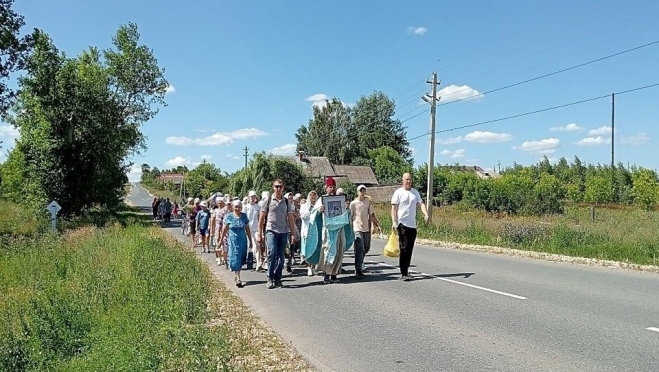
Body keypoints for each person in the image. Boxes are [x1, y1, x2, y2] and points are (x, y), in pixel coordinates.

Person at [258, 179, 297, 289]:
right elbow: (261, 218)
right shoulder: (268, 200)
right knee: (272, 253)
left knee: (281, 256)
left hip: (283, 231)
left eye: (280, 186)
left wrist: (293, 234)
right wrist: (259, 233)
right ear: (273, 187)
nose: (278, 189)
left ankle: (278, 278)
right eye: (276, 186)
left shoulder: (286, 201)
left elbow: (290, 218)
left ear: (283, 188)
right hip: (271, 230)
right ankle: (270, 277)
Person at [391, 172, 429, 281]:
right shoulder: (398, 193)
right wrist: (394, 222)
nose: (408, 181)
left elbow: (421, 204)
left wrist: (425, 214)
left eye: (410, 179)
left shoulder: (415, 193)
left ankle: (406, 270)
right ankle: (403, 272)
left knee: (409, 248)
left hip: (412, 225)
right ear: (402, 180)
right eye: (406, 179)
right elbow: (394, 208)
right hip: (402, 224)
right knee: (404, 248)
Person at [315, 177, 350, 284]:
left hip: (339, 229)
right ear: (326, 188)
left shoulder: (340, 199)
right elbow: (314, 213)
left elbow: (346, 213)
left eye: (334, 187)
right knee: (329, 251)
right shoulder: (322, 200)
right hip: (328, 230)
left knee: (339, 250)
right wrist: (319, 210)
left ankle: (334, 274)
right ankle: (327, 274)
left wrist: (346, 208)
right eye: (330, 187)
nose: (332, 189)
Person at [219, 199, 253, 287]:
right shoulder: (229, 216)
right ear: (233, 207)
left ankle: (237, 274)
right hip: (233, 240)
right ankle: (238, 277)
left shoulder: (244, 216)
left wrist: (250, 241)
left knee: (241, 258)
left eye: (239, 207)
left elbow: (247, 229)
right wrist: (220, 240)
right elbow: (225, 229)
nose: (237, 208)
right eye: (236, 207)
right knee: (235, 257)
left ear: (241, 207)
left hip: (242, 240)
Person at [350, 184, 380, 279]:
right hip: (357, 228)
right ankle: (358, 269)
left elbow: (371, 214)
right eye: (361, 191)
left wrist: (373, 226)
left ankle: (360, 264)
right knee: (360, 248)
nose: (362, 193)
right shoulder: (353, 204)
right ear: (357, 192)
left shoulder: (367, 202)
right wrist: (350, 229)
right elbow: (350, 217)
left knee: (366, 248)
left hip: (366, 228)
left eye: (364, 191)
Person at [299, 190, 318, 276]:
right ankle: (309, 267)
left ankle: (313, 267)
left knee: (314, 250)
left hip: (315, 231)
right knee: (308, 250)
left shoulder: (318, 206)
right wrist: (311, 211)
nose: (313, 199)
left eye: (314, 197)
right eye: (311, 197)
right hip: (306, 230)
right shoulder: (304, 206)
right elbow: (303, 216)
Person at [243, 190, 262, 270]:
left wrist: (260, 230)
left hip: (256, 228)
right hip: (247, 229)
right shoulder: (245, 207)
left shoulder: (258, 207)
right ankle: (248, 260)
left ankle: (258, 263)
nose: (253, 198)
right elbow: (243, 218)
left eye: (254, 197)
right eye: (251, 197)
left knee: (257, 245)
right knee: (249, 246)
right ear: (248, 197)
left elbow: (260, 218)